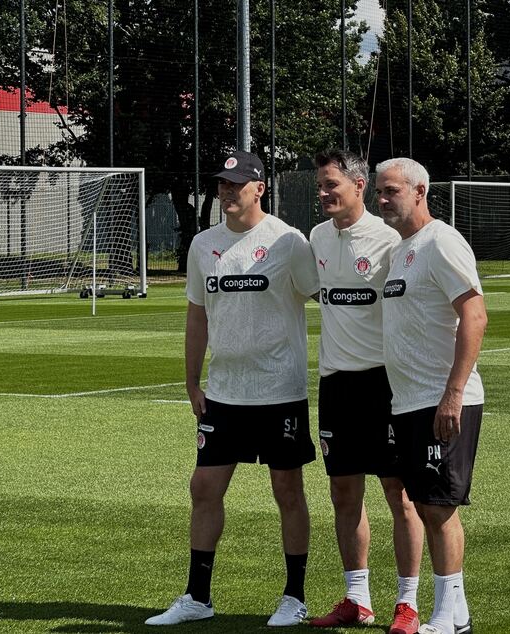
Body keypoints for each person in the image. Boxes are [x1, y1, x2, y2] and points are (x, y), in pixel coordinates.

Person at [145, 150, 321, 628]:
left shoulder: (289, 240)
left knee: (287, 489)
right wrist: (190, 379)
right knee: (203, 487)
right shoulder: (203, 244)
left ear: (259, 187)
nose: (226, 192)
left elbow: (322, 297)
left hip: (279, 389)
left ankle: (294, 596)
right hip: (224, 391)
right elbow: (197, 315)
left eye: (236, 184)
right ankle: (197, 596)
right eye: (221, 184)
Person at [306, 150, 425, 634]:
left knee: (400, 495)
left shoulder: (389, 241)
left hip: (385, 383)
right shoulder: (316, 238)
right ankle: (358, 598)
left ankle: (408, 602)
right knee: (342, 491)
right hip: (336, 384)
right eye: (319, 185)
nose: (322, 193)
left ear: (358, 186)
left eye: (330, 184)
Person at [375, 157, 488, 634]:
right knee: (425, 504)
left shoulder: (441, 241)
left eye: (392, 191)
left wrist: (453, 394)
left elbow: (475, 316)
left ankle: (446, 616)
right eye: (378, 191)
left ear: (420, 192)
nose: (382, 200)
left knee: (440, 508)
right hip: (407, 401)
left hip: (442, 398)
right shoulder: (401, 251)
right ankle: (455, 612)